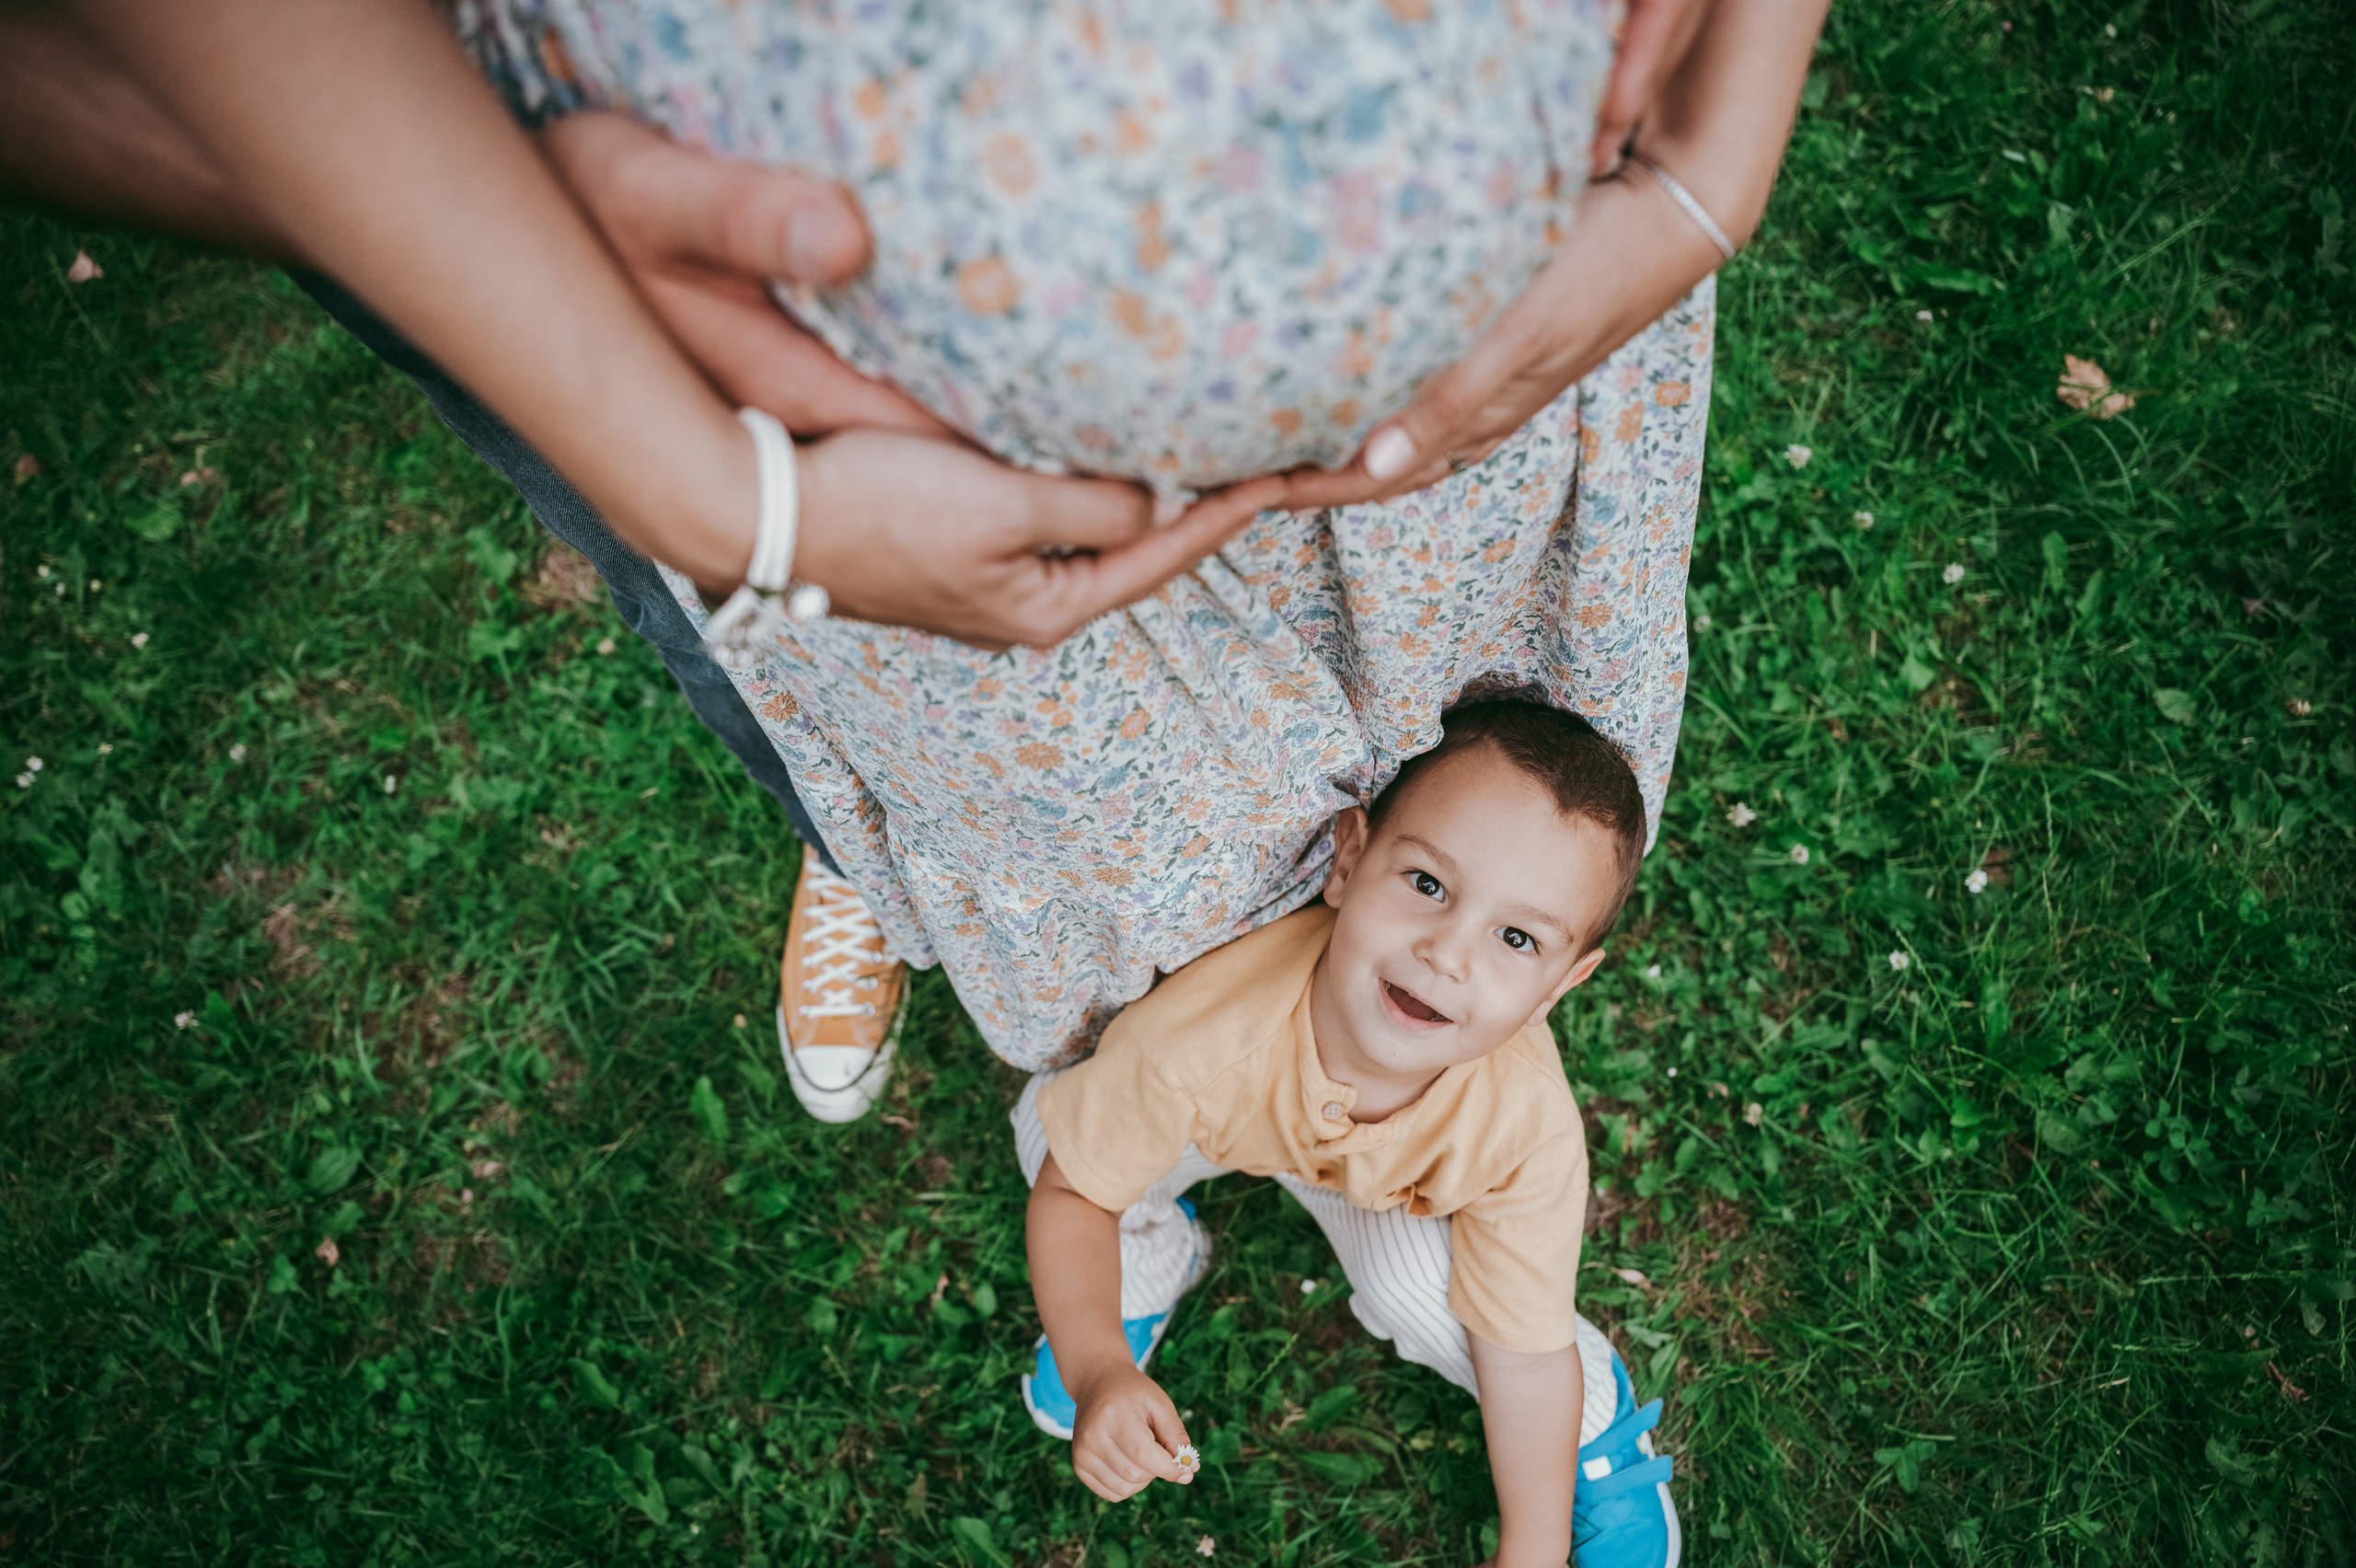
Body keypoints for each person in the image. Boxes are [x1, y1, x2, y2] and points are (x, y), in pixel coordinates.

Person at [2, 0, 1827, 1117]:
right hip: (776, 388)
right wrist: (714, 488)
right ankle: (868, 834)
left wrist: (1714, 145)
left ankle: (1384, 870)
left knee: (1465, 704)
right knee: (891, 705)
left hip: (1477, 329)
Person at [1014, 700, 1676, 1567]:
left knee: (1432, 1299)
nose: (1447, 953)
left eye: (1516, 937)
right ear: (1351, 858)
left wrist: (1534, 1549)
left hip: (1392, 1185)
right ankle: (1140, 1265)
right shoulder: (1197, 1042)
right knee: (1048, 1129)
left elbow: (1524, 1355)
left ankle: (1592, 1427)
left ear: (1563, 982)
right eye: (1428, 885)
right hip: (1222, 1113)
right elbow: (1075, 1191)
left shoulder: (1523, 1130)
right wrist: (1096, 1363)